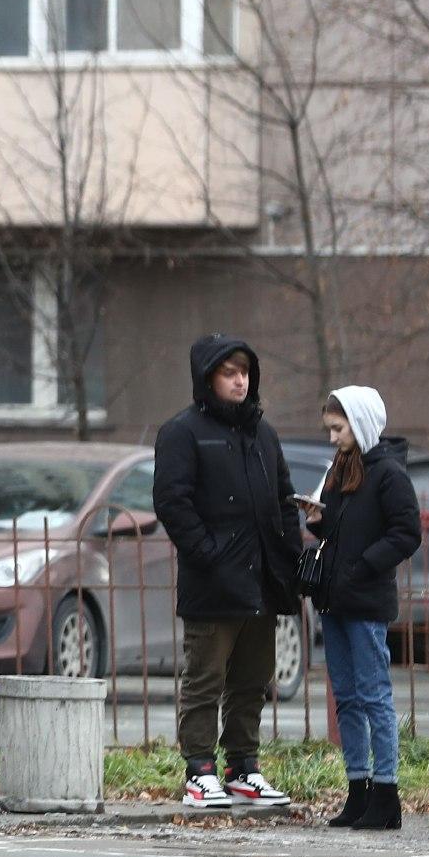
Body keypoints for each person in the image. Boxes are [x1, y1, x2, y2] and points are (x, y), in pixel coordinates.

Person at [152, 335, 301, 812]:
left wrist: (289, 558)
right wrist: (208, 553)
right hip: (213, 581)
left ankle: (243, 768)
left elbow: (283, 498)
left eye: (245, 372)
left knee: (253, 679)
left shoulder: (264, 433)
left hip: (262, 579)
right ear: (208, 377)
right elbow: (173, 502)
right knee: (205, 677)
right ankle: (199, 771)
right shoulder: (183, 432)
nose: (240, 381)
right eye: (229, 372)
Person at [305, 385, 423, 832]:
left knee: (375, 698)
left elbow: (406, 533)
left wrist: (362, 564)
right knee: (348, 701)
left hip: (366, 601)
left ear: (361, 423)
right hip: (335, 600)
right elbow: (340, 531)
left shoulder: (389, 473)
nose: (333, 437)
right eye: (330, 430)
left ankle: (387, 794)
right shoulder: (342, 469)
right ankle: (358, 791)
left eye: (338, 428)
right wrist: (319, 520)